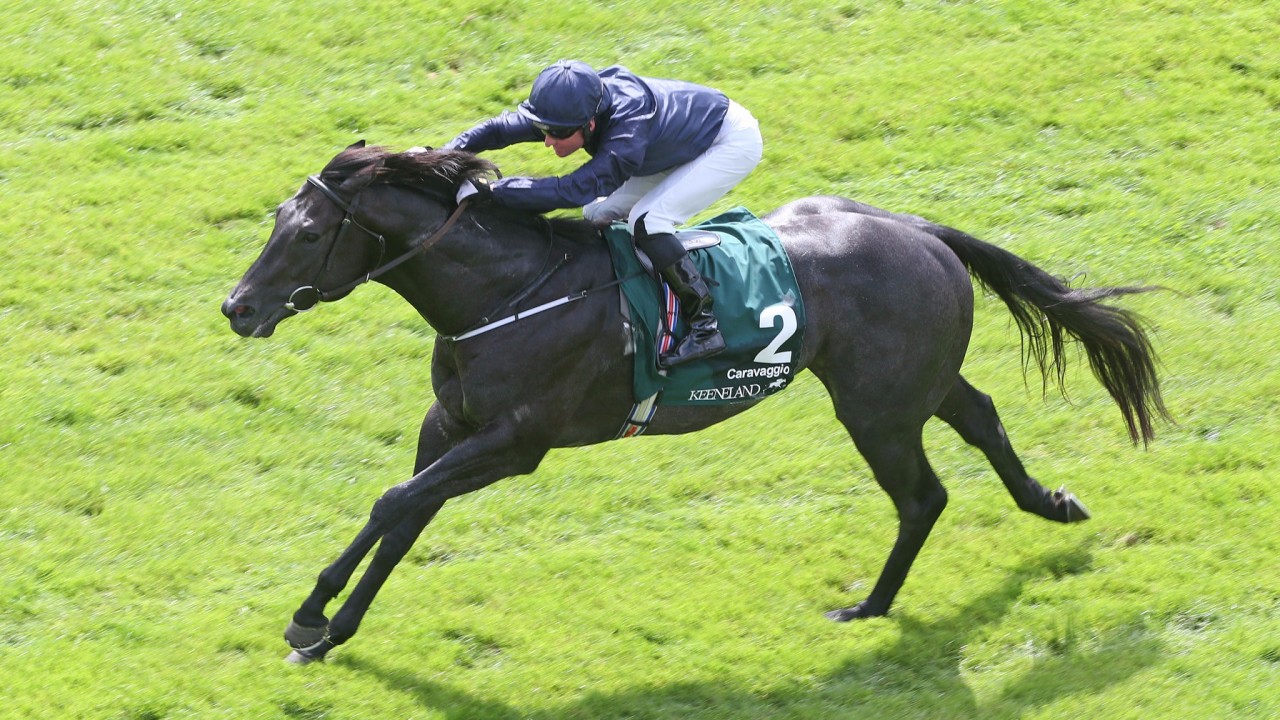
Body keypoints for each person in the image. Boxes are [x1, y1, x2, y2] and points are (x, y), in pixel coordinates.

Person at [443, 60, 763, 368]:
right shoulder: (575, 106)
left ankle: (704, 325)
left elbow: (571, 190)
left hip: (726, 142)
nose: (547, 141)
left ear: (590, 124)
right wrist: (444, 156)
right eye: (543, 129)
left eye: (556, 133)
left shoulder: (627, 134)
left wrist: (494, 192)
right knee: (596, 213)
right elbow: (500, 129)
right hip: (673, 142)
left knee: (648, 221)